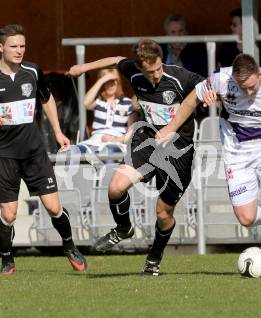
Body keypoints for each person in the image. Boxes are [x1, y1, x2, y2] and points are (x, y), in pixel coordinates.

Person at [66, 38, 204, 275]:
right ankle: (123, 228)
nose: (156, 75)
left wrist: (213, 95)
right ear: (139, 67)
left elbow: (207, 85)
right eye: (150, 71)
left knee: (163, 213)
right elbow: (115, 60)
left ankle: (154, 259)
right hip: (147, 143)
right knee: (116, 187)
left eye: (159, 68)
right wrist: (83, 68)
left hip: (178, 150)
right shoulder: (133, 72)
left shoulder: (179, 76)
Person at [156, 54, 261, 277]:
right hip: (237, 153)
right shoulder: (221, 80)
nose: (249, 93)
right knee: (246, 218)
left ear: (260, 74)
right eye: (243, 88)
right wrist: (172, 127)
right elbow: (192, 98)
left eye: (252, 87)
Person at [0, 24, 87, 274]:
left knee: (53, 207)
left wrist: (58, 132)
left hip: (33, 152)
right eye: (14, 46)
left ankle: (70, 246)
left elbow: (46, 98)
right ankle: (7, 257)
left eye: (22, 46)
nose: (19, 51)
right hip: (4, 154)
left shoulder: (33, 71)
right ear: (1, 47)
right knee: (8, 215)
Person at [78, 68, 136, 156]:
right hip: (95, 140)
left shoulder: (127, 103)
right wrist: (102, 80)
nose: (111, 84)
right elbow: (86, 103)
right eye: (107, 82)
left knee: (110, 151)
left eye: (113, 81)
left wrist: (114, 140)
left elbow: (131, 132)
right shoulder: (99, 101)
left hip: (117, 141)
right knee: (77, 151)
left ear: (118, 82)